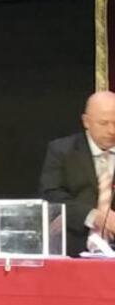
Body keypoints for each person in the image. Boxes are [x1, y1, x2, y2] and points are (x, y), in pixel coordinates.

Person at [39, 90, 115, 256]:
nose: (111, 130)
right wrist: (94, 216)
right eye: (104, 123)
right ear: (86, 121)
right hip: (73, 247)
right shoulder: (62, 151)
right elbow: (51, 195)